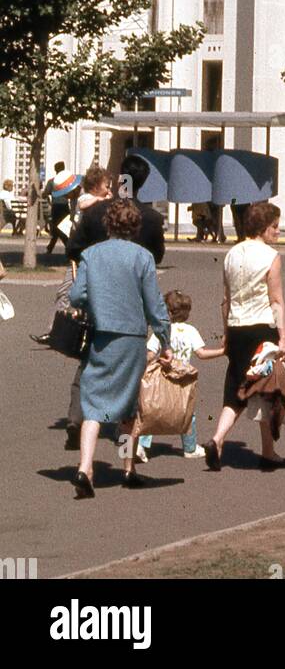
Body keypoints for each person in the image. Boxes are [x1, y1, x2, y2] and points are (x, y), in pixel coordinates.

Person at [67, 199, 173, 497]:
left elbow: (76, 296)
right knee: (128, 408)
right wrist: (165, 340)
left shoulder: (91, 255)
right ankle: (128, 468)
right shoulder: (142, 258)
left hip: (101, 336)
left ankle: (85, 467)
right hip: (132, 339)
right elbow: (155, 305)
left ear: (108, 224)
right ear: (135, 226)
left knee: (93, 404)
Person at [61, 155, 165, 451]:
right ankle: (127, 459)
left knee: (90, 360)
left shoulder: (95, 213)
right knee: (131, 382)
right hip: (133, 306)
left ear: (120, 179)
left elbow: (74, 248)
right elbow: (157, 257)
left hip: (99, 300)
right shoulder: (151, 219)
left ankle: (77, 418)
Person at [205, 201, 285, 472]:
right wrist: (284, 337)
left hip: (237, 327)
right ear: (264, 228)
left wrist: (227, 333)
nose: (278, 232)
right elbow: (276, 301)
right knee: (265, 388)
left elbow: (225, 300)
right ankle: (267, 452)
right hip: (261, 328)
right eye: (275, 227)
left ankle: (218, 439)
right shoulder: (270, 256)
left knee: (236, 388)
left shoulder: (231, 254)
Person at [136, 290, 224, 461]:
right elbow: (201, 353)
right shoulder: (191, 331)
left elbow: (150, 353)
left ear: (167, 311)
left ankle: (141, 445)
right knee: (187, 412)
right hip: (183, 379)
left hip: (162, 377)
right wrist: (222, 351)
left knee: (152, 411)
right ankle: (190, 448)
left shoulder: (161, 331)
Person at [30, 165, 113, 346]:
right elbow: (84, 204)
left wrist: (102, 199)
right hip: (79, 251)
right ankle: (54, 331)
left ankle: (79, 331)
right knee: (66, 292)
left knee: (83, 293)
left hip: (89, 252)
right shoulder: (83, 198)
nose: (68, 197)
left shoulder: (85, 195)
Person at [43, 162, 82, 255]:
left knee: (60, 228)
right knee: (61, 228)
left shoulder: (51, 181)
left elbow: (45, 193)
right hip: (64, 207)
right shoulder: (59, 182)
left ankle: (66, 246)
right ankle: (66, 247)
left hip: (56, 207)